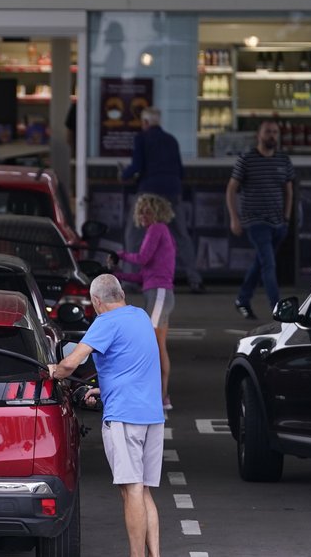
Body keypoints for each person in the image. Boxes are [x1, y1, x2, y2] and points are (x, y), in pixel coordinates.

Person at [51, 274, 164, 557]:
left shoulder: (105, 322)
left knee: (132, 491)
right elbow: (134, 366)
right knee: (144, 490)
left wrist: (52, 371)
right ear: (122, 293)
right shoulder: (140, 316)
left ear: (96, 301)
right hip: (152, 415)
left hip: (125, 417)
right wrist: (104, 389)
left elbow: (71, 363)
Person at [121, 107, 203, 293]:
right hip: (172, 192)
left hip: (149, 192)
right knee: (181, 235)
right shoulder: (171, 140)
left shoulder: (141, 138)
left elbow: (137, 165)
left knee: (134, 234)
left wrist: (124, 175)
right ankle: (195, 279)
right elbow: (180, 171)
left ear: (146, 123)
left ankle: (131, 281)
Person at [113, 193, 176, 411]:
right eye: (141, 210)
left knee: (151, 345)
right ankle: (162, 397)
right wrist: (120, 275)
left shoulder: (156, 229)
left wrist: (120, 254)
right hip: (159, 292)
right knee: (158, 345)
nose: (142, 215)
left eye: (147, 210)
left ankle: (158, 397)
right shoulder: (160, 231)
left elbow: (142, 259)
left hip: (158, 293)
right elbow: (144, 274)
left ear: (157, 213)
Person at [226, 120, 294, 320]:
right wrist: (234, 218)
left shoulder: (283, 160)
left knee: (261, 262)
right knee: (269, 265)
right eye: (268, 132)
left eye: (275, 132)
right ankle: (278, 309)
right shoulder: (246, 159)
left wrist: (287, 218)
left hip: (278, 222)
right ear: (259, 135)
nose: (272, 135)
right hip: (255, 221)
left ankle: (242, 299)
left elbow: (288, 190)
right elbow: (231, 189)